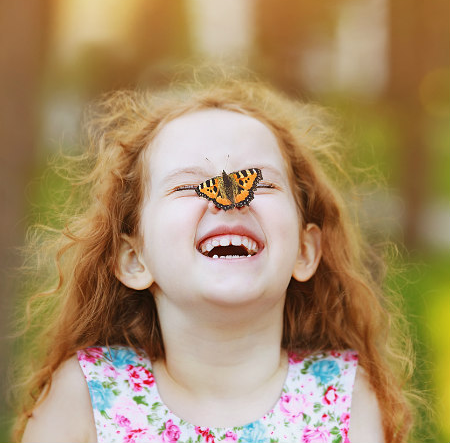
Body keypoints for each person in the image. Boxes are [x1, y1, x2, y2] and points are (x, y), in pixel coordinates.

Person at [15, 73, 414, 443]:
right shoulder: (86, 395)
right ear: (135, 259)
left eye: (258, 181)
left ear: (305, 251)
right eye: (190, 186)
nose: (227, 202)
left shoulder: (343, 399)